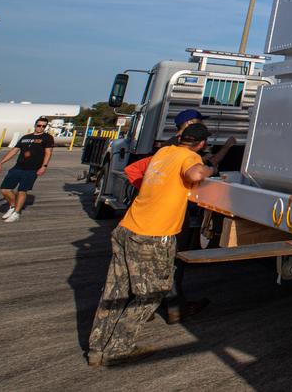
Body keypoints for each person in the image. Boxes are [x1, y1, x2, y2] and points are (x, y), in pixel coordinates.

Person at [87, 122, 213, 366]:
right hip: (154, 235)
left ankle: (96, 348)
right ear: (201, 143)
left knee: (115, 291)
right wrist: (208, 168)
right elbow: (195, 174)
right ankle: (119, 348)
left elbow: (135, 171)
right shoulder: (190, 156)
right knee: (153, 292)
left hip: (127, 228)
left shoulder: (164, 153)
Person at [0, 117, 54, 222]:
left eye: (43, 126)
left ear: (45, 127)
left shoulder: (47, 137)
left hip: (32, 169)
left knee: (22, 191)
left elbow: (48, 153)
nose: (40, 127)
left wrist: (44, 166)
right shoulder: (25, 137)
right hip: (18, 167)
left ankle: (16, 213)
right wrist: (1, 162)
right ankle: (13, 206)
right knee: (5, 190)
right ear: (35, 125)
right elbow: (14, 151)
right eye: (39, 125)